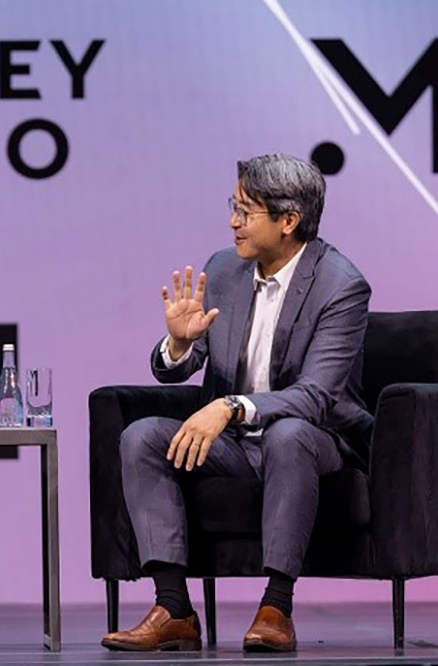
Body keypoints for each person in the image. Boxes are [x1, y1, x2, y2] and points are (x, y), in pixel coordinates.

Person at [102, 154, 371, 653]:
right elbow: (179, 367)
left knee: (288, 435)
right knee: (142, 437)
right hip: (234, 445)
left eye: (246, 211)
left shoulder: (340, 285)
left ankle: (276, 607)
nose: (232, 222)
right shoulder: (224, 269)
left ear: (288, 221)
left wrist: (231, 405)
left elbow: (316, 397)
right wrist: (179, 345)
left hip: (315, 440)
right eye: (234, 206)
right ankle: (173, 609)